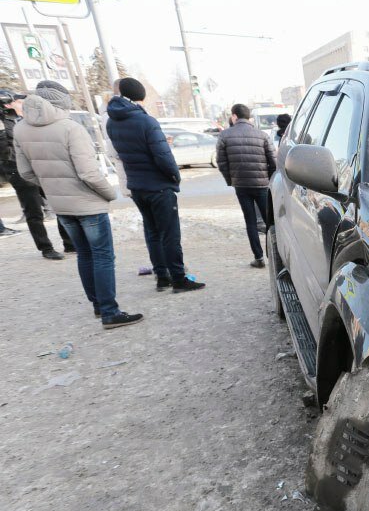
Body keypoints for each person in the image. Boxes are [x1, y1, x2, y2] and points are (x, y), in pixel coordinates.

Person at [14, 81, 143, 329]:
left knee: (84, 254)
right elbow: (89, 174)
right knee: (103, 256)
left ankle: (98, 305)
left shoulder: (21, 129)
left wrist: (51, 188)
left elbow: (26, 173)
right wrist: (109, 194)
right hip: (88, 203)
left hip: (60, 204)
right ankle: (110, 312)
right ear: (61, 103)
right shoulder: (71, 128)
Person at [106, 77, 205, 294]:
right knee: (170, 234)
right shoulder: (146, 121)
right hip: (158, 186)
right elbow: (163, 158)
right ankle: (178, 279)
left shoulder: (112, 122)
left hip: (136, 186)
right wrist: (174, 177)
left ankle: (162, 277)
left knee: (152, 232)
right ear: (141, 97)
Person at [1, 88, 74, 259]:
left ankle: (69, 243)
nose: (23, 104)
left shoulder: (27, 120)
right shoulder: (5, 123)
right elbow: (5, 151)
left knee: (58, 204)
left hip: (39, 166)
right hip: (16, 169)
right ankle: (46, 248)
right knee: (34, 211)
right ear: (10, 104)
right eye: (19, 101)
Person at [216, 103, 276, 268]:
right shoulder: (262, 135)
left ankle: (258, 258)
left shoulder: (224, 136)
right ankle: (276, 255)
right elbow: (273, 161)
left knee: (250, 221)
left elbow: (221, 162)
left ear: (234, 116)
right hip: (263, 185)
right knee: (270, 221)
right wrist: (269, 180)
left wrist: (231, 180)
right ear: (248, 117)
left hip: (241, 186)